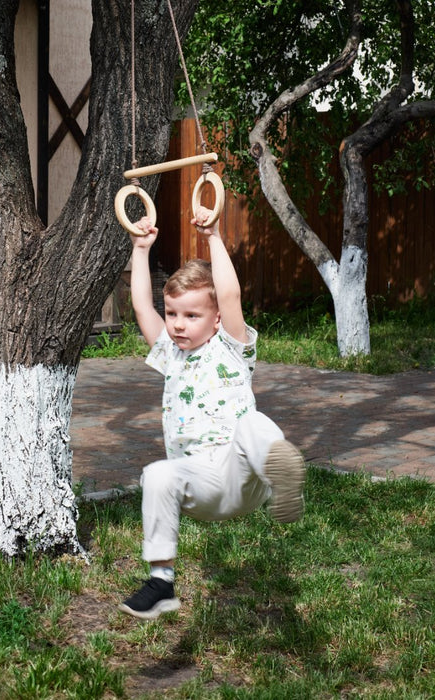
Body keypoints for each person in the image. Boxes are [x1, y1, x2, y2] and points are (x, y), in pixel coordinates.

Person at [118, 206, 305, 620]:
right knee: (156, 474)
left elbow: (231, 294)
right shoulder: (169, 352)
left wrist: (215, 236)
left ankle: (282, 479)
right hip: (199, 484)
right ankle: (161, 582)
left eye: (191, 315)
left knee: (253, 424)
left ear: (217, 317)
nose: (178, 325)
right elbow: (141, 309)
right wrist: (140, 249)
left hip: (244, 476)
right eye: (173, 314)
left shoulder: (232, 348)